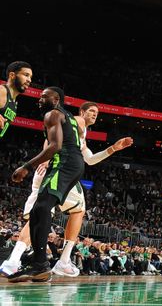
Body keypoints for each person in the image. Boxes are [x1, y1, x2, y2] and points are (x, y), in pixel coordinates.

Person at [1, 102, 132, 277]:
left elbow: (90, 159)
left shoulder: (81, 132)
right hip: (59, 170)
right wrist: (47, 157)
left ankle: (12, 261)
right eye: (91, 111)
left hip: (48, 171)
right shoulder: (77, 121)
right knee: (79, 209)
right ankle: (63, 261)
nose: (95, 114)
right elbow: (52, 136)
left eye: (97, 112)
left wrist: (113, 148)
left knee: (37, 216)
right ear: (82, 111)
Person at [7, 87, 85, 283]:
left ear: (56, 98)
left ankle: (40, 265)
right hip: (73, 164)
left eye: (44, 96)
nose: (40, 100)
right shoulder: (68, 116)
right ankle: (38, 264)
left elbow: (55, 146)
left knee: (41, 208)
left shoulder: (53, 113)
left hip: (64, 162)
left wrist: (26, 166)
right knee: (37, 210)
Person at [0, 61, 33, 140]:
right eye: (26, 75)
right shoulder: (2, 91)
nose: (29, 80)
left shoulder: (14, 102)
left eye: (30, 77)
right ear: (12, 75)